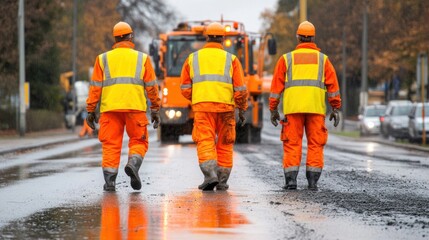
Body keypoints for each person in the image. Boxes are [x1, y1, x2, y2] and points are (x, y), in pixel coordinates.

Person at [86, 21, 161, 191]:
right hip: (135, 107)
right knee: (138, 140)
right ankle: (133, 163)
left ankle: (110, 181)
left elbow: (95, 88)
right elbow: (151, 87)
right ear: (130, 36)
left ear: (115, 38)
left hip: (110, 109)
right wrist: (155, 109)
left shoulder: (102, 59)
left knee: (111, 145)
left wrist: (91, 110)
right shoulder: (142, 58)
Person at [269, 20, 341, 191]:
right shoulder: (323, 60)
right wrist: (335, 107)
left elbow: (276, 87)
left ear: (298, 37)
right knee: (316, 144)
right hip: (316, 109)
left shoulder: (286, 59)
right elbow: (333, 86)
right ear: (313, 38)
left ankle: (291, 181)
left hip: (293, 109)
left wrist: (273, 108)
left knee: (292, 144)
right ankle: (313, 182)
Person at [180, 22, 248, 191]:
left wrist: (197, 97)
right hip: (226, 108)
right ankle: (223, 181)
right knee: (225, 143)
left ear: (207, 37)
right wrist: (241, 108)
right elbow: (240, 89)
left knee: (205, 140)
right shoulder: (232, 60)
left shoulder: (192, 58)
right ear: (223, 39)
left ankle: (210, 174)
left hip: (203, 107)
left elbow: (184, 87)